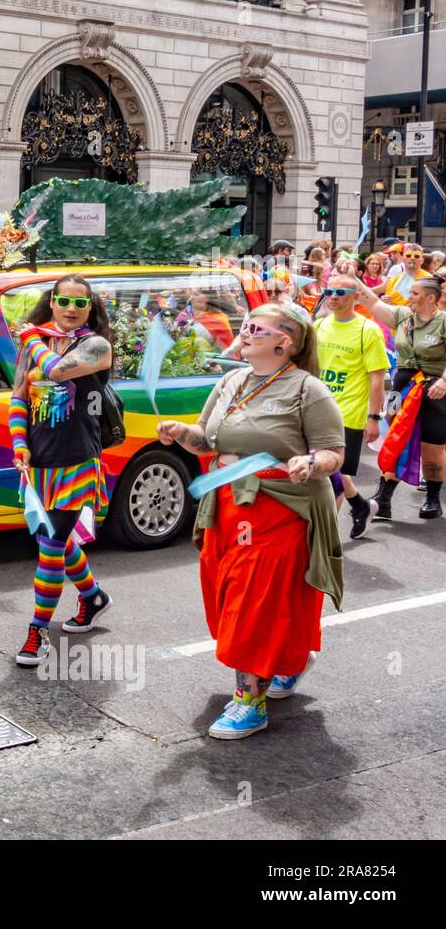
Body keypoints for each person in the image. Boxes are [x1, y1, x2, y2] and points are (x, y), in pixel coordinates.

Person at [158, 303, 343, 739]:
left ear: (286, 342)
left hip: (280, 509)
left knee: (253, 602)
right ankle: (287, 658)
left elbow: (335, 452)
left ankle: (249, 702)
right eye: (245, 325)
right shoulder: (231, 380)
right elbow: (207, 441)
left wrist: (310, 461)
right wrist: (181, 432)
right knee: (223, 591)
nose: (245, 332)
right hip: (226, 502)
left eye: (256, 328)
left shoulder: (308, 389)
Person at [9, 275, 115, 668]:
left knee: (51, 546)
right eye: (64, 301)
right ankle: (93, 596)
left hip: (76, 463)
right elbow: (19, 398)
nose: (71, 309)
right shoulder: (33, 345)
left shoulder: (95, 346)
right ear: (51, 302)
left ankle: (37, 632)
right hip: (38, 464)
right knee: (55, 538)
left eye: (80, 303)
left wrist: (31, 339)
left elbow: (55, 371)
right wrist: (19, 444)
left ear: (90, 309)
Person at [359, 275, 446, 520]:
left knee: (432, 444)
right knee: (397, 437)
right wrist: (354, 283)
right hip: (402, 387)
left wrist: (444, 381)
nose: (409, 297)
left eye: (415, 293)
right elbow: (374, 303)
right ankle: (383, 498)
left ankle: (432, 499)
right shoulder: (403, 316)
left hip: (434, 390)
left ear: (431, 298)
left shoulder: (443, 322)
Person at [312, 274, 388, 538]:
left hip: (348, 414)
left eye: (340, 292)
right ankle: (361, 506)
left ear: (356, 297)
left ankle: (325, 537)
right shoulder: (320, 326)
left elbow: (376, 377)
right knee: (331, 471)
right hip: (317, 410)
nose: (333, 296)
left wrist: (374, 417)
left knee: (332, 477)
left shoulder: (368, 330)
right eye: (329, 291)